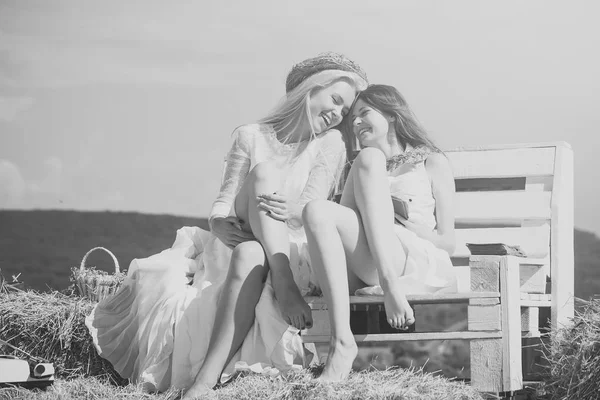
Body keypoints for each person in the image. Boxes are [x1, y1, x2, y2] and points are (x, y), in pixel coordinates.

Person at [85, 53, 368, 396]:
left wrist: (289, 207)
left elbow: (310, 208)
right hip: (242, 231)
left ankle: (203, 382)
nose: (337, 114)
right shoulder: (251, 135)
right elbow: (225, 198)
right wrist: (217, 222)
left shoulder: (330, 144)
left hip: (289, 244)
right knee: (262, 175)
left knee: (251, 253)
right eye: (335, 100)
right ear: (310, 90)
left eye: (344, 110)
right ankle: (282, 280)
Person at [302, 84, 457, 382]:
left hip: (406, 260)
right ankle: (341, 341)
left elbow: (448, 242)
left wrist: (406, 223)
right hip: (364, 261)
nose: (356, 122)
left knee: (368, 158)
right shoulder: (363, 165)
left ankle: (390, 287)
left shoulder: (431, 163)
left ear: (393, 116)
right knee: (316, 210)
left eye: (364, 114)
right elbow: (340, 222)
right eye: (353, 119)